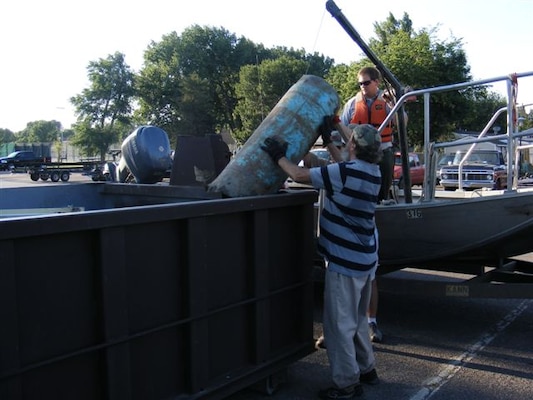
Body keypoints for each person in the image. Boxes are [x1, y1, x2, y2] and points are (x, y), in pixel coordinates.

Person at [261, 122, 382, 399]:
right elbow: (335, 165)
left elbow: (300, 175)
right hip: (365, 261)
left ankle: (347, 384)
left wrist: (278, 156)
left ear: (353, 145)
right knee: (357, 321)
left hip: (344, 263)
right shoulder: (372, 171)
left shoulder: (345, 173)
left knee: (339, 326)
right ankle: (368, 369)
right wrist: (328, 141)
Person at [340, 66, 404, 343]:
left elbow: (403, 123)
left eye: (367, 83)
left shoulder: (387, 102)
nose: (363, 87)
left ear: (376, 82)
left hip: (382, 153)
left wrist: (398, 102)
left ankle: (368, 322)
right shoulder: (351, 105)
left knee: (368, 275)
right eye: (361, 83)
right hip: (357, 161)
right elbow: (342, 129)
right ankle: (347, 328)